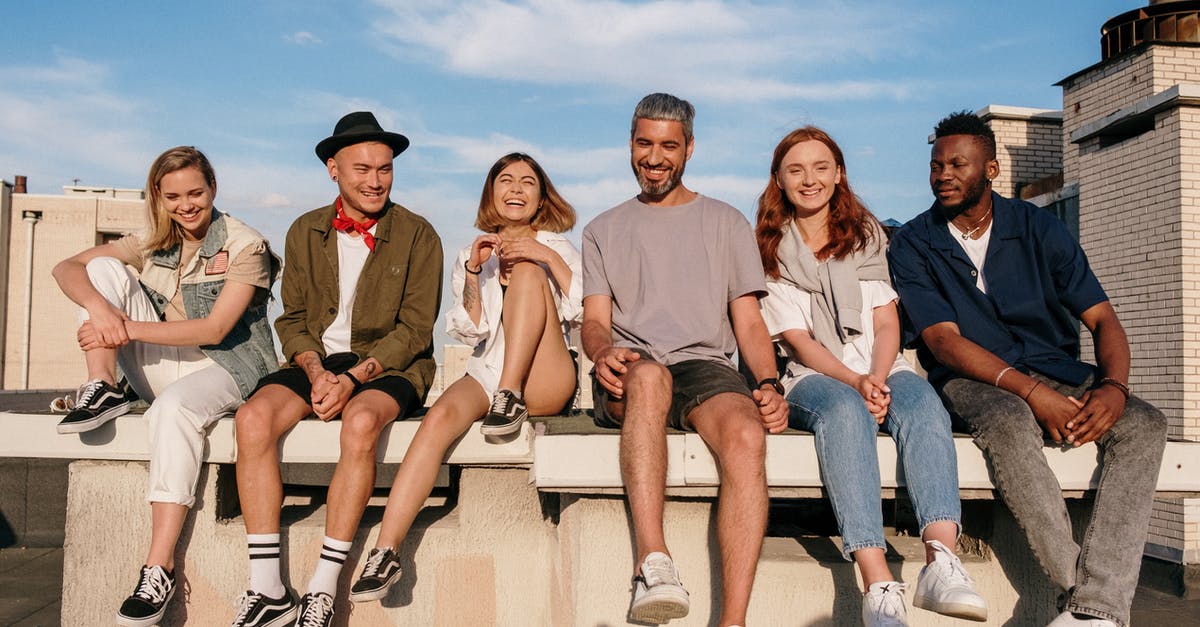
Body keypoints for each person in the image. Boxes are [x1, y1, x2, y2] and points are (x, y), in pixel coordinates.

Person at [888, 111, 1167, 627]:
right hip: (971, 379)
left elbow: (1103, 318)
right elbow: (943, 341)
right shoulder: (913, 243)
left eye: (957, 164)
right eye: (935, 165)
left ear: (990, 169)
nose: (943, 174)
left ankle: (1095, 610)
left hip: (1053, 365)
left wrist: (1114, 388)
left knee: (1145, 424)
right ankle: (1086, 600)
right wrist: (1034, 394)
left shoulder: (1039, 227)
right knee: (1011, 419)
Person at [754, 127, 986, 626]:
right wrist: (855, 383)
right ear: (779, 179)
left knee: (923, 403)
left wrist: (877, 377)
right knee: (842, 413)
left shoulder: (867, 236)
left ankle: (940, 561)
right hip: (814, 375)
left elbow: (886, 323)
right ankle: (877, 580)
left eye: (821, 168)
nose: (809, 179)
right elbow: (799, 342)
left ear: (838, 174)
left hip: (880, 363)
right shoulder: (770, 248)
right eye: (795, 170)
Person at [581, 92, 787, 627]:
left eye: (668, 146)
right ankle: (654, 565)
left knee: (746, 435)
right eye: (645, 143)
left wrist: (768, 382)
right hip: (634, 363)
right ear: (630, 145)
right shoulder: (601, 229)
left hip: (703, 365)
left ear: (689, 148)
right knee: (648, 377)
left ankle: (732, 621)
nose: (655, 157)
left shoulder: (725, 222)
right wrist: (601, 351)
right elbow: (595, 321)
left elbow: (747, 322)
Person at [52, 146, 279, 627]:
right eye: (173, 196)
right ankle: (102, 385)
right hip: (164, 358)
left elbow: (215, 331)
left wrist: (124, 329)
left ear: (213, 187)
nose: (186, 205)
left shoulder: (246, 244)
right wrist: (104, 311)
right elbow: (64, 269)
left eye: (195, 192)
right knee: (100, 271)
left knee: (173, 409)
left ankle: (158, 567)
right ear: (159, 196)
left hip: (227, 366)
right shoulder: (155, 240)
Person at [231, 111, 443, 627]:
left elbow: (415, 331)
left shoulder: (419, 235)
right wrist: (316, 369)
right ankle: (268, 589)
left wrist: (353, 378)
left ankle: (325, 587)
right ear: (333, 169)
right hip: (316, 362)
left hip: (391, 365)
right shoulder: (304, 230)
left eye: (385, 169)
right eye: (362, 169)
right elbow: (293, 318)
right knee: (251, 420)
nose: (375, 181)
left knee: (362, 421)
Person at [348, 152, 581, 603]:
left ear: (541, 197)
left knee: (530, 271)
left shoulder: (558, 247)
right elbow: (470, 329)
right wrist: (475, 270)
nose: (515, 189)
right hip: (488, 370)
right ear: (491, 192)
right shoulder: (471, 255)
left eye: (527, 182)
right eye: (506, 180)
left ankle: (509, 396)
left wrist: (543, 255)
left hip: (544, 375)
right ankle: (386, 550)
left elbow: (585, 309)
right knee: (437, 421)